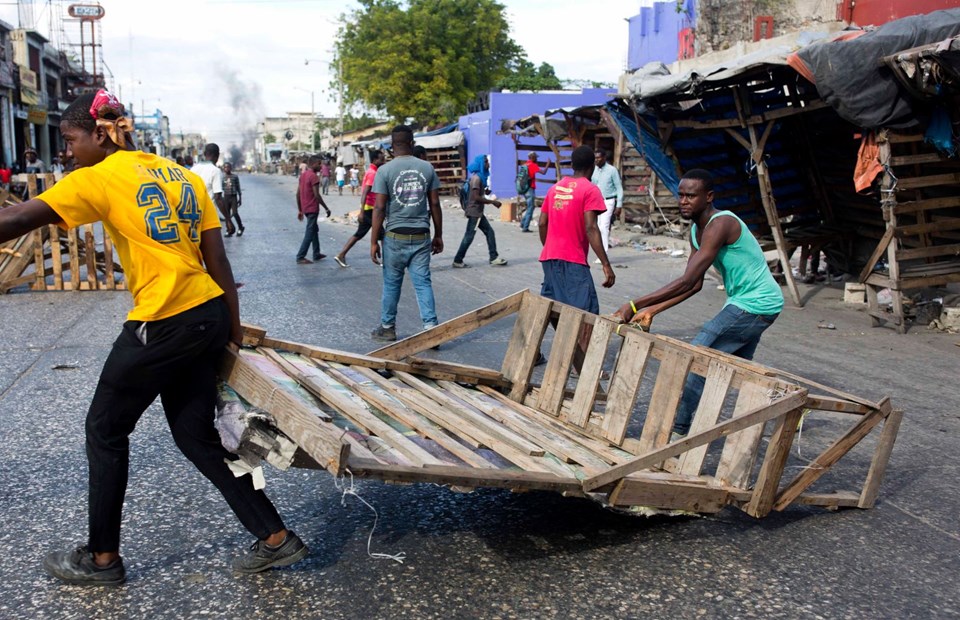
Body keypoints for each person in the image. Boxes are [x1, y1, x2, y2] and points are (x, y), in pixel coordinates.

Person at [0, 90, 307, 586]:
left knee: (104, 429)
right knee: (194, 436)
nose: (68, 152)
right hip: (207, 314)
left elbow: (16, 219)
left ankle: (102, 558)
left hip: (164, 320)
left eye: (71, 139)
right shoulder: (182, 175)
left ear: (100, 134)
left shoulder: (99, 177)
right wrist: (230, 331)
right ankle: (276, 537)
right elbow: (217, 260)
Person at [613, 168, 784, 437]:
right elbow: (694, 285)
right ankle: (762, 420)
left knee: (696, 358)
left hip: (756, 303)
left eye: (691, 196)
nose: (684, 201)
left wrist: (633, 305)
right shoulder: (696, 231)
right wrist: (652, 310)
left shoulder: (721, 224)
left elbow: (687, 280)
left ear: (709, 197)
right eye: (681, 195)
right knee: (737, 371)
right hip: (748, 303)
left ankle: (678, 428)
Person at [369, 125, 442, 342]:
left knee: (392, 284)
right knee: (423, 283)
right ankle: (431, 329)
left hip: (394, 237)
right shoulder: (427, 168)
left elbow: (379, 208)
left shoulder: (384, 171)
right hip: (421, 235)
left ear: (392, 146)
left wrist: (373, 241)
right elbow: (435, 203)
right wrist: (438, 235)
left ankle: (387, 327)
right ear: (412, 143)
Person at [539, 145, 615, 314]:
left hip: (549, 257)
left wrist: (550, 247)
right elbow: (591, 227)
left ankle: (565, 333)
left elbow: (542, 223)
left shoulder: (555, 188)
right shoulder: (590, 190)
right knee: (587, 313)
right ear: (592, 166)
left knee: (555, 307)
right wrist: (606, 264)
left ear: (572, 165)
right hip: (573, 260)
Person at [453, 155, 507, 269]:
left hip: (477, 212)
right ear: (481, 164)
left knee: (489, 232)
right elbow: (476, 197)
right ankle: (458, 260)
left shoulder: (478, 178)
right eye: (486, 162)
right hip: (475, 212)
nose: (488, 164)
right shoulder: (477, 179)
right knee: (469, 236)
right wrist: (493, 202)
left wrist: (485, 192)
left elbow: (477, 194)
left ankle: (493, 257)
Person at [334, 150, 385, 268]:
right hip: (370, 209)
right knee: (382, 235)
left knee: (359, 234)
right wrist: (361, 212)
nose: (383, 162)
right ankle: (386, 260)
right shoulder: (372, 173)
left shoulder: (372, 171)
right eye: (381, 159)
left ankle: (341, 254)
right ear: (375, 160)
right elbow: (365, 192)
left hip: (369, 208)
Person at [295, 154, 331, 264]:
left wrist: (300, 209)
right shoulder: (313, 176)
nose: (321, 166)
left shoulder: (303, 175)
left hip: (305, 208)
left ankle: (316, 253)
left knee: (314, 229)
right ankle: (300, 256)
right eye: (319, 164)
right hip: (312, 208)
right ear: (314, 164)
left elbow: (297, 194)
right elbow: (317, 195)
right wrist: (326, 208)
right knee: (310, 232)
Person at [591, 148, 623, 259]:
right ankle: (600, 253)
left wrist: (619, 205)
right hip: (596, 201)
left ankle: (603, 255)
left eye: (599, 158)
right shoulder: (594, 170)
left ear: (604, 158)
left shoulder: (612, 170)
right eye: (595, 158)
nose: (596, 160)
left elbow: (619, 188)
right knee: (597, 226)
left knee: (603, 227)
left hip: (608, 200)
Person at [191, 144, 230, 235]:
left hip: (194, 215)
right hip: (209, 217)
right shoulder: (215, 171)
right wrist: (228, 219)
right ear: (217, 156)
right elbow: (218, 198)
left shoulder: (193, 169)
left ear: (204, 154)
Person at [519, 152, 552, 233]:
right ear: (533, 158)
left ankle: (523, 223)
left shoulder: (525, 165)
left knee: (530, 207)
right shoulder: (533, 165)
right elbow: (543, 172)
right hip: (530, 189)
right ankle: (525, 227)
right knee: (530, 208)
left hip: (524, 189)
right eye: (536, 157)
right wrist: (548, 164)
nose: (537, 159)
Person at [222, 162, 244, 237]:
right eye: (225, 167)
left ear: (231, 168)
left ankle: (240, 227)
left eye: (228, 167)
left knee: (235, 213)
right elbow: (221, 188)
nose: (227, 169)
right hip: (226, 197)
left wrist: (240, 198)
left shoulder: (235, 177)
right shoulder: (223, 178)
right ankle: (229, 230)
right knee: (227, 214)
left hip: (233, 197)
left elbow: (238, 188)